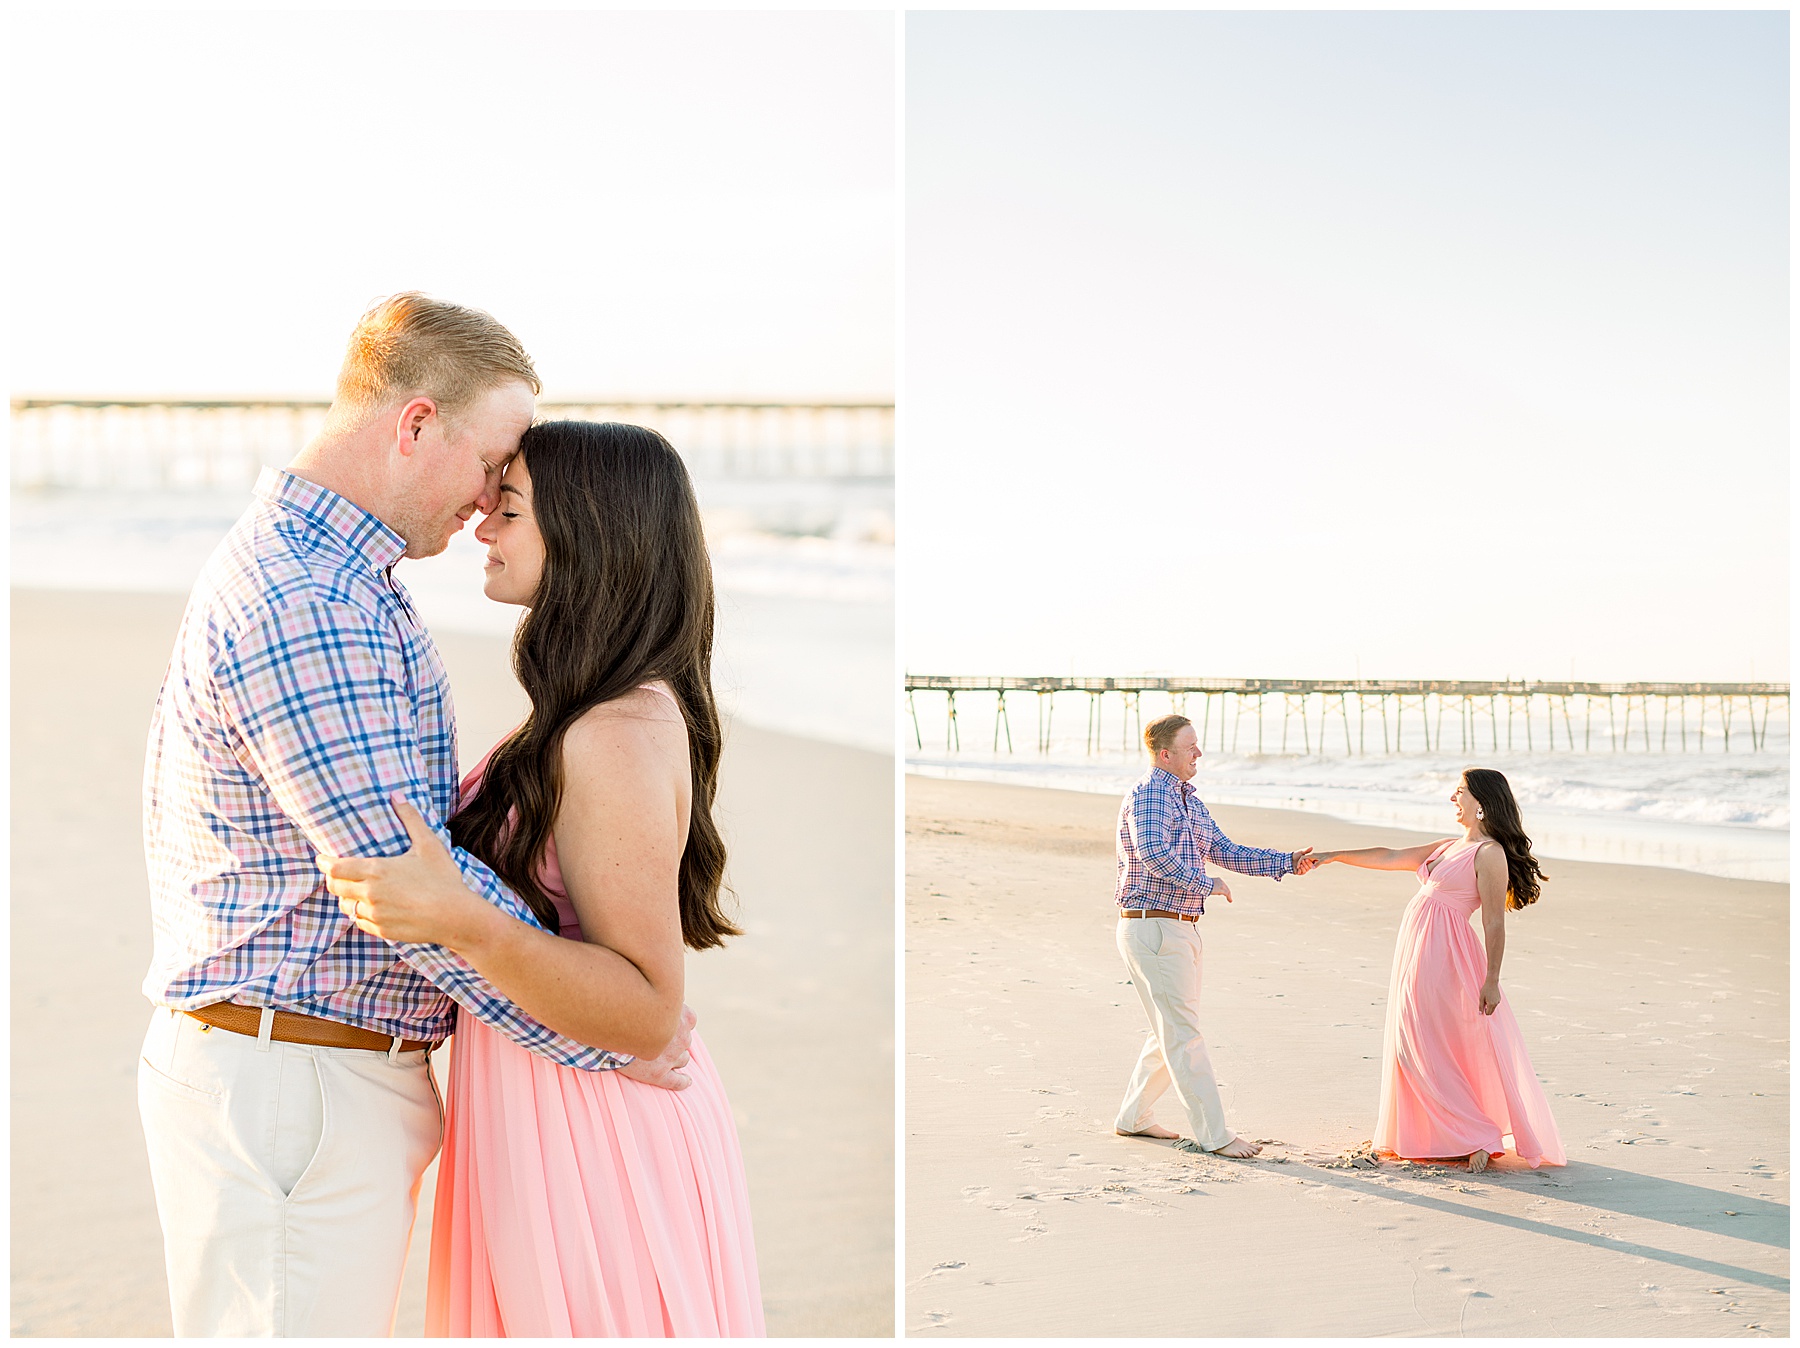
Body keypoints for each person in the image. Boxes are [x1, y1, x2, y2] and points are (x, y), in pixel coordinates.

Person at [137, 294, 691, 1338]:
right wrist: (613, 1030)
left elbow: (425, 886)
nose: (490, 502)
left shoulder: (348, 581)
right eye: (493, 462)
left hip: (304, 1078)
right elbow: (406, 886)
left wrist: (620, 1012)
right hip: (293, 1085)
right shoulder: (312, 600)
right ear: (416, 424)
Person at [320, 421, 764, 1336]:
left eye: (510, 509)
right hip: (544, 1108)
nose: (483, 526)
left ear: (589, 531)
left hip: (593, 1133)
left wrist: (462, 920)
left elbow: (646, 1006)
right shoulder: (581, 715)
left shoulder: (618, 730)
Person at [1312, 767, 1565, 1171]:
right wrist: (1335, 856)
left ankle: (1476, 1135)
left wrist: (1492, 979)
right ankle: (1439, 1134)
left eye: (1460, 791)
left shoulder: (1489, 854)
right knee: (1410, 1039)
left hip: (1445, 955)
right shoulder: (1449, 846)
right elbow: (1391, 855)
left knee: (1425, 1042)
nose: (1453, 798)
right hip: (1417, 949)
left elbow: (1494, 921)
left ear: (1481, 803)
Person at [1112, 713, 1317, 1158]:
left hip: (1177, 928)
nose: (1199, 753)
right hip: (1154, 925)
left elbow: (1225, 849)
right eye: (1191, 747)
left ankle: (1134, 1116)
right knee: (1183, 1035)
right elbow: (1153, 856)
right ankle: (1215, 1134)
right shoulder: (1150, 795)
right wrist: (1206, 883)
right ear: (1165, 754)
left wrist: (1287, 861)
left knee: (1170, 1030)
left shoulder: (1188, 801)